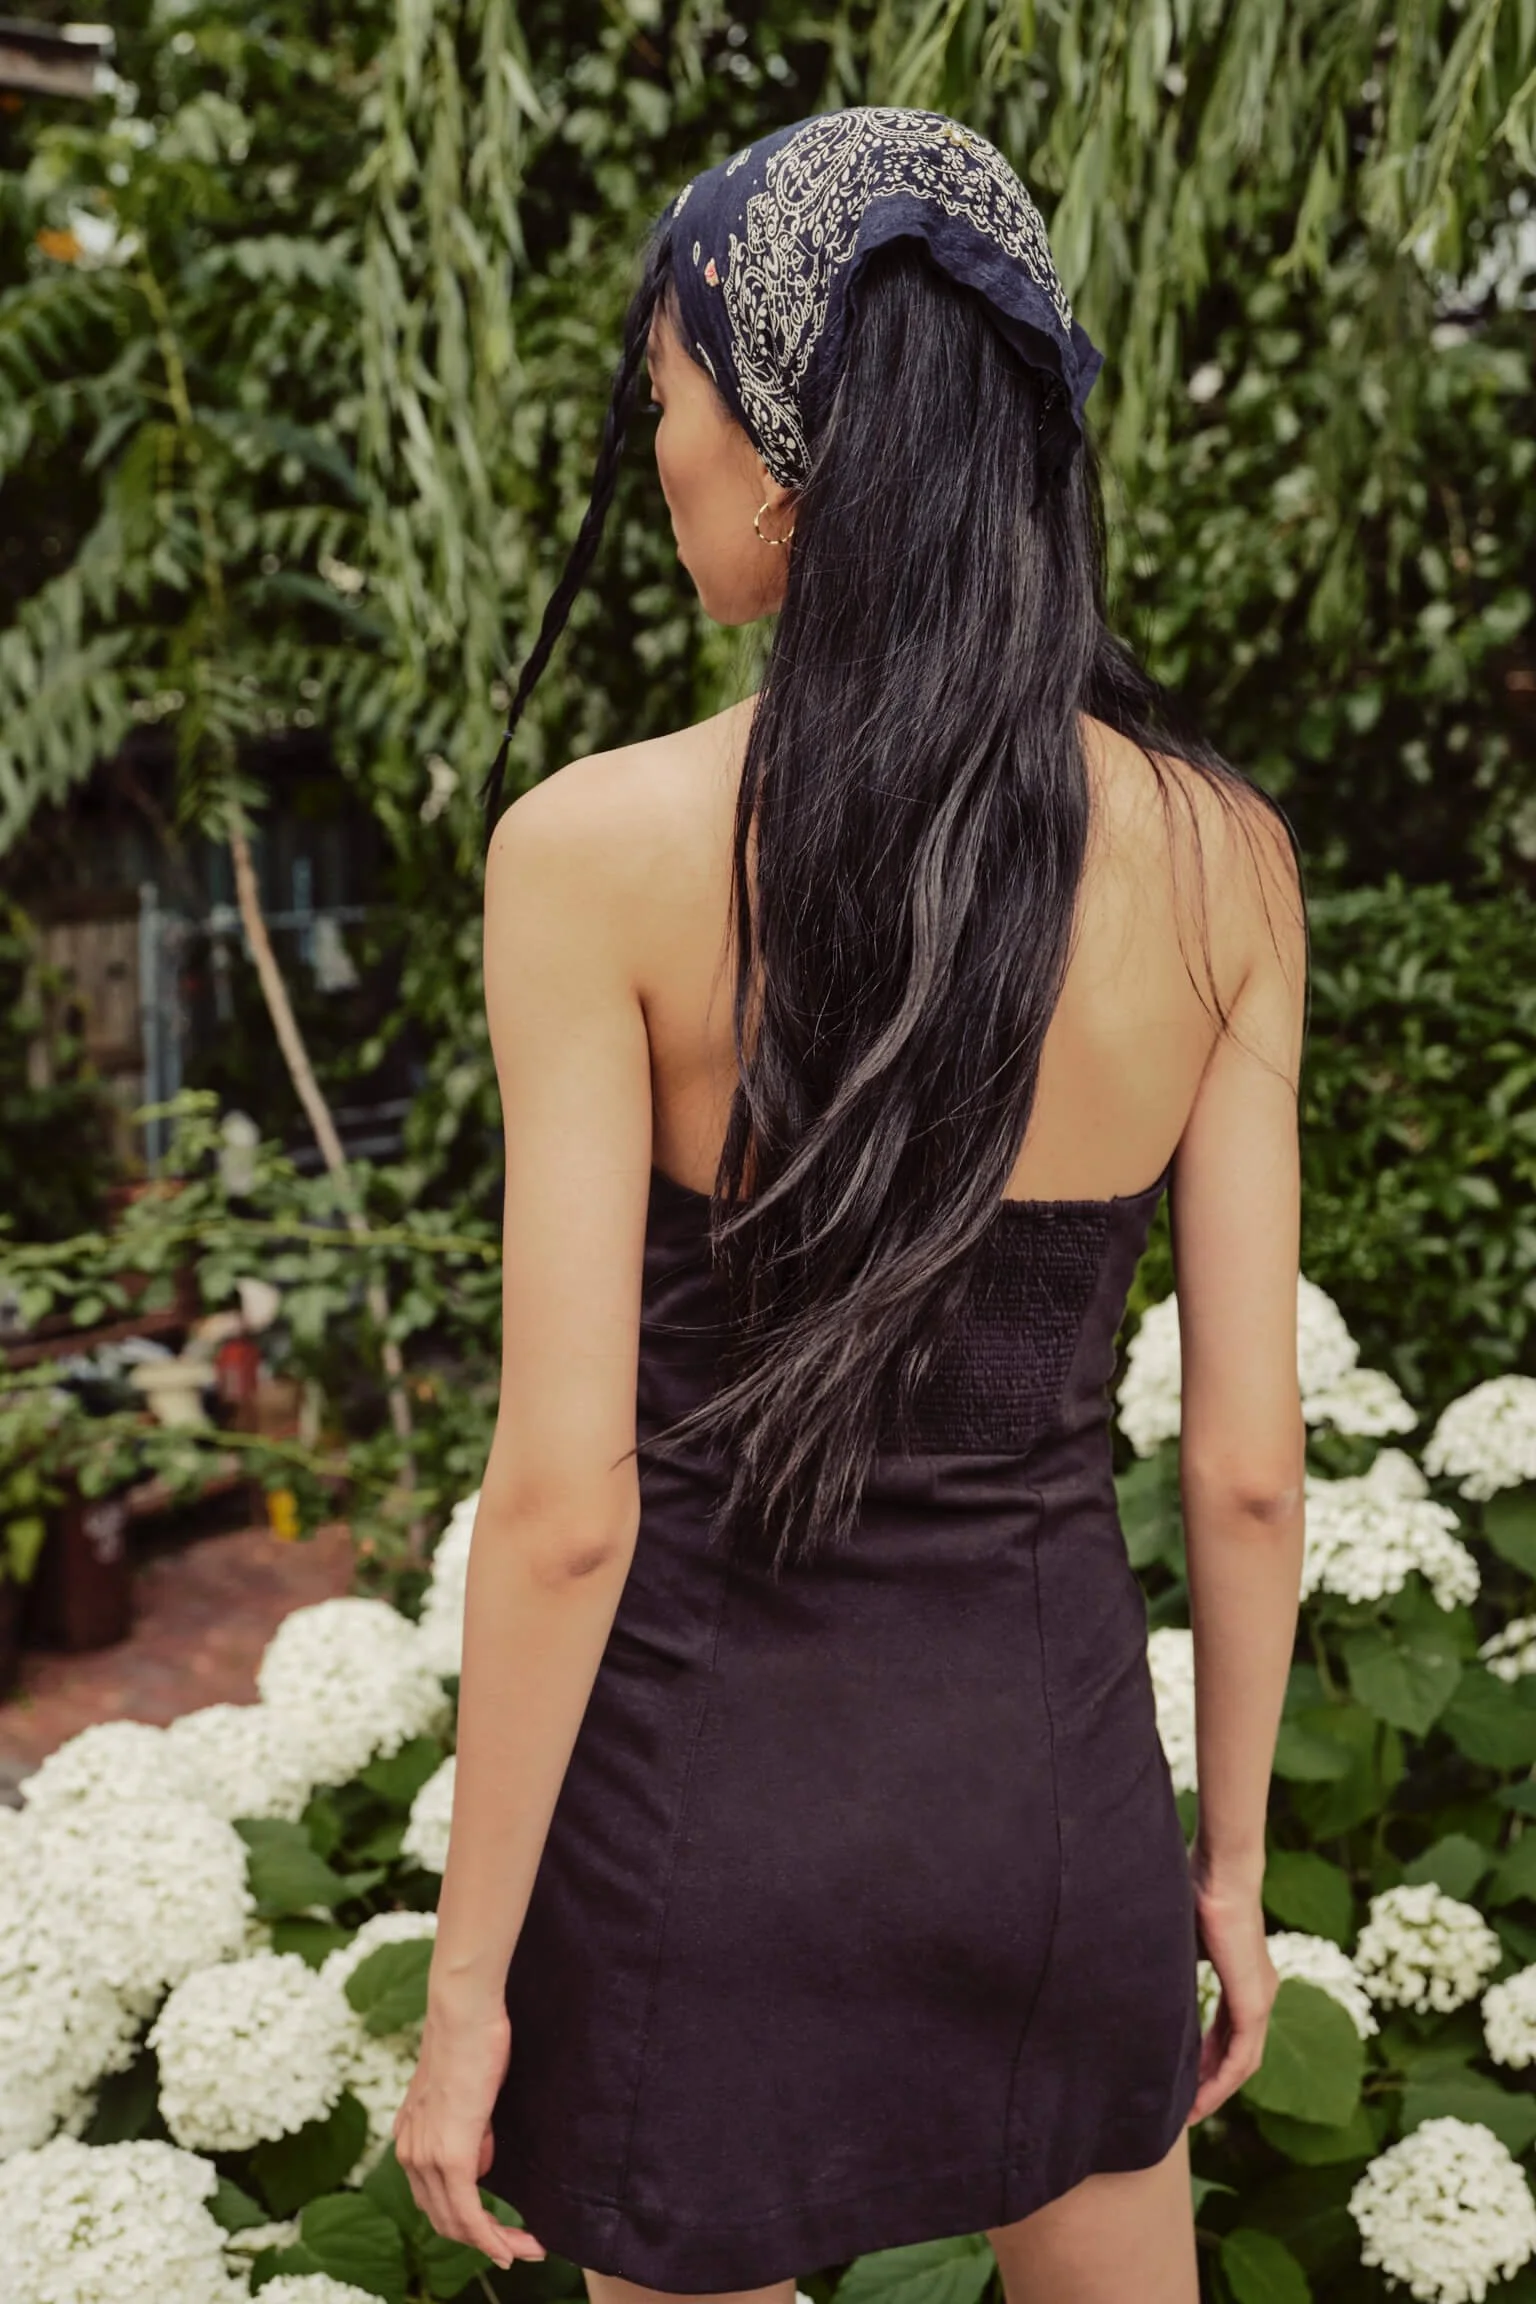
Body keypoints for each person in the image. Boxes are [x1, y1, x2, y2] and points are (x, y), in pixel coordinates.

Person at [393, 105, 1309, 2304]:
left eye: (671, 403)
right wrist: (1235, 1875)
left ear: (789, 441)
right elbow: (1254, 1473)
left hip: (700, 1823)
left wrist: (464, 1990)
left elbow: (565, 1503)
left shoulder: (593, 850)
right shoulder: (1221, 859)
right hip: (1053, 1803)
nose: (664, 456)